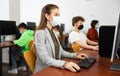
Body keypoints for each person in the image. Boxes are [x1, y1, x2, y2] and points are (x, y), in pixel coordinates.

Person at [34, 4, 88, 73]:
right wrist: (64, 64)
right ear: (47, 16)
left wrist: (76, 55)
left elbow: (61, 52)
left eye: (58, 15)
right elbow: (45, 58)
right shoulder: (40, 33)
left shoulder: (53, 31)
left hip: (55, 67)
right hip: (44, 70)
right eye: (56, 15)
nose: (58, 17)